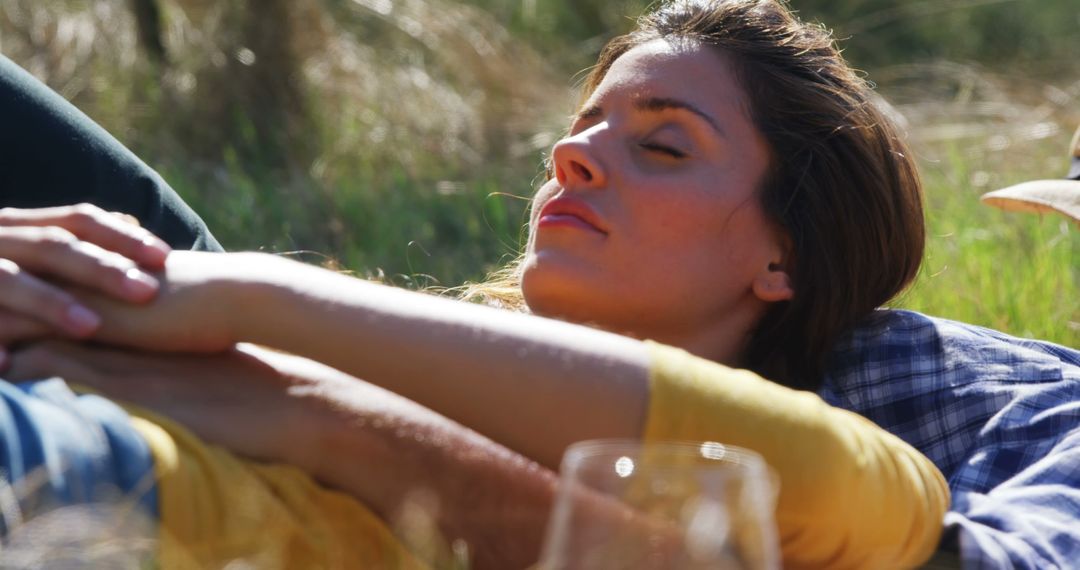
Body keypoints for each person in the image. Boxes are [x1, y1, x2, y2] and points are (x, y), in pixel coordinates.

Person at [0, 0, 1076, 568]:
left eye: (662, 146)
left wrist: (276, 342)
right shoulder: (393, 320)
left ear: (782, 257)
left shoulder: (921, 396)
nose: (571, 158)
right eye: (580, 129)